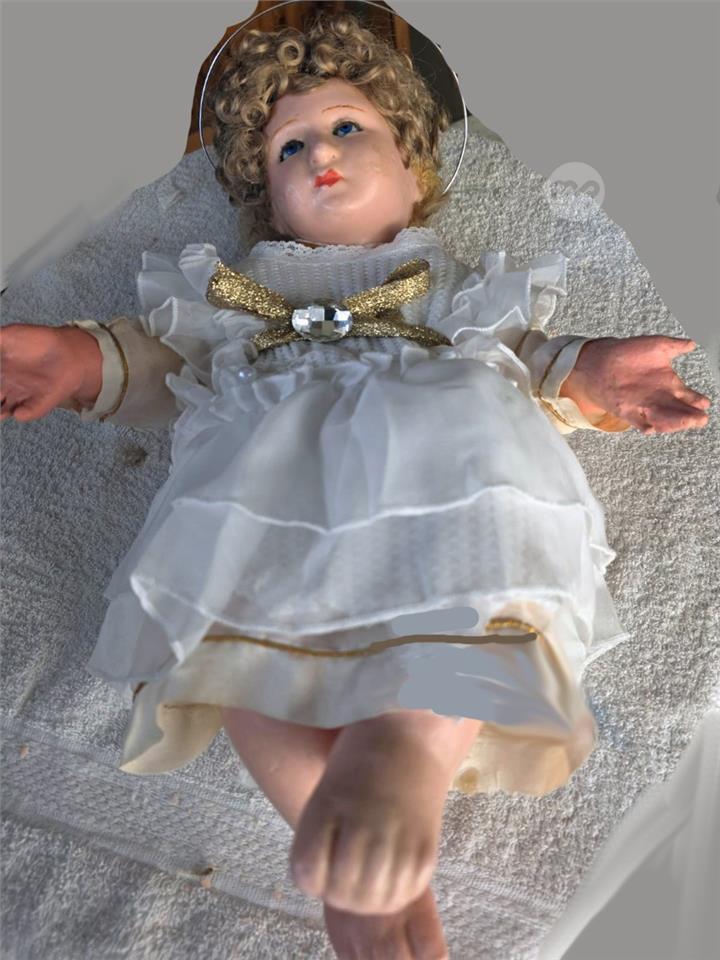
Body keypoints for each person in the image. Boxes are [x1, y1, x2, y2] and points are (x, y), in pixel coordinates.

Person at [0, 10, 710, 959]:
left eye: (347, 127)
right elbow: (161, 358)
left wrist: (595, 372)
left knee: (468, 582)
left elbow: (527, 359)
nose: (321, 154)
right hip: (269, 496)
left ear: (414, 171)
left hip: (435, 462)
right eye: (289, 147)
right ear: (268, 201)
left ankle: (407, 749)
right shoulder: (238, 289)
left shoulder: (445, 281)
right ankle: (333, 831)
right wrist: (74, 360)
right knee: (226, 638)